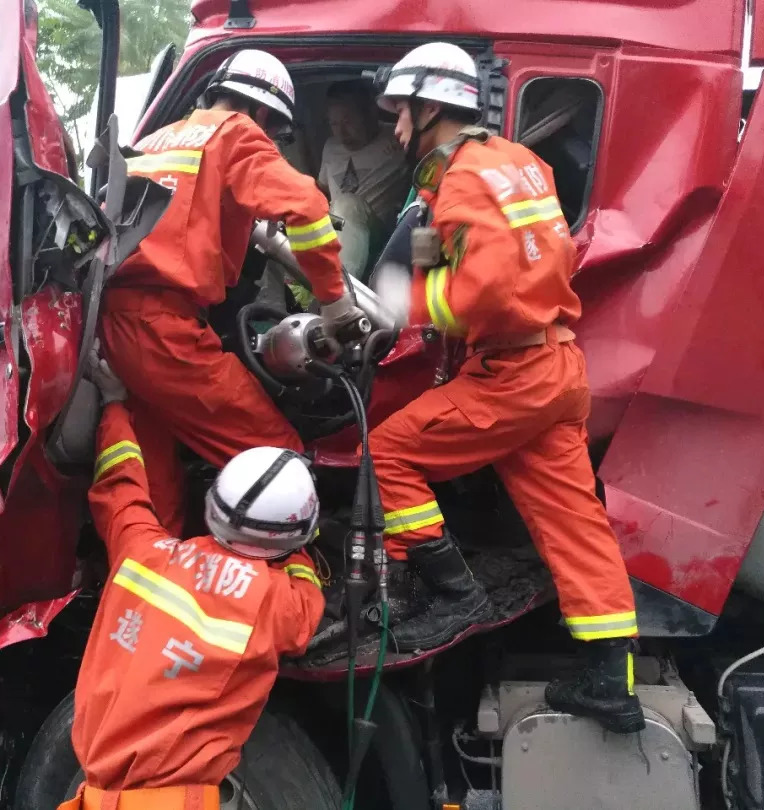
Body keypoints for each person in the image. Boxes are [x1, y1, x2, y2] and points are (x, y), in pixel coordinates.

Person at [355, 42, 643, 734]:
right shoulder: (518, 163)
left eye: (401, 114)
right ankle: (616, 678)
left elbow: (484, 290)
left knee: (390, 450)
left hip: (513, 371)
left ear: (432, 109)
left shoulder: (464, 181)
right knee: (575, 525)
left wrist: (408, 306)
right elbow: (523, 255)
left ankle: (451, 593)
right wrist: (421, 258)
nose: (395, 128)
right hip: (557, 368)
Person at [101, 49, 364, 536]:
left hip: (118, 327)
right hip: (165, 330)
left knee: (156, 477)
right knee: (279, 455)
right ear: (262, 113)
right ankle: (296, 583)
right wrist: (333, 303)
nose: (270, 142)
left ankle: (170, 573)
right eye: (273, 133)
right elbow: (306, 208)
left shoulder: (155, 139)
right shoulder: (236, 133)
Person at [61, 346, 325, 810]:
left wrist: (115, 403)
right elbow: (307, 599)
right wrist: (301, 552)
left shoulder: (141, 550)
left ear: (213, 504)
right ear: (287, 539)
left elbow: (120, 482)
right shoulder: (278, 601)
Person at [316, 81, 409, 280]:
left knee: (348, 203)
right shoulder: (330, 147)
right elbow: (321, 189)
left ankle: (341, 292)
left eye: (348, 121)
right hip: (336, 236)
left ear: (371, 115)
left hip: (380, 239)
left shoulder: (397, 138)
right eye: (334, 124)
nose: (341, 132)